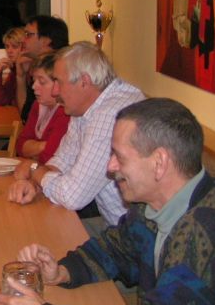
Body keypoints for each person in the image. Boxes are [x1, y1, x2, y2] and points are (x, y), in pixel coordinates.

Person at [0, 98, 215, 305]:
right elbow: (118, 249)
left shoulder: (205, 234)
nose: (110, 166)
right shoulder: (156, 203)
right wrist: (63, 271)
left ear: (159, 163)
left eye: (119, 157)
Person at [8, 42, 144, 227]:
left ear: (84, 82)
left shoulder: (110, 114)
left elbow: (72, 196)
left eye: (59, 82)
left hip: (131, 235)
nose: (55, 91)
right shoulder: (85, 106)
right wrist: (35, 184)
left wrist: (35, 170)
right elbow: (64, 158)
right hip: (115, 227)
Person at [15, 53, 69, 164]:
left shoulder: (65, 112)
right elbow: (19, 146)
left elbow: (48, 158)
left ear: (58, 84)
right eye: (34, 80)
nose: (34, 86)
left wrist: (33, 149)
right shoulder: (38, 105)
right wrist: (43, 146)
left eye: (41, 81)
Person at [16, 16, 69, 121]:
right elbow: (26, 116)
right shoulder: (39, 67)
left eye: (28, 35)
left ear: (46, 41)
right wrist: (20, 77)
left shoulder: (60, 69)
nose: (22, 40)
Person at [0, 27, 24, 106]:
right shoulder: (14, 70)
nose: (9, 51)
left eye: (14, 46)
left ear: (24, 48)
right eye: (7, 46)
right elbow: (1, 101)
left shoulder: (28, 70)